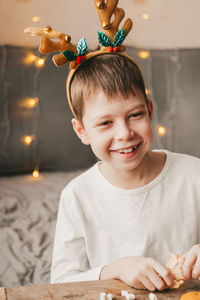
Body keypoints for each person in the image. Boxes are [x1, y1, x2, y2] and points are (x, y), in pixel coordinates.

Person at [50, 53, 200, 291]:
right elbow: (61, 281)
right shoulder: (77, 196)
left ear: (150, 111)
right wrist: (114, 270)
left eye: (135, 115)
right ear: (82, 131)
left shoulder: (194, 175)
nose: (124, 133)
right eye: (105, 123)